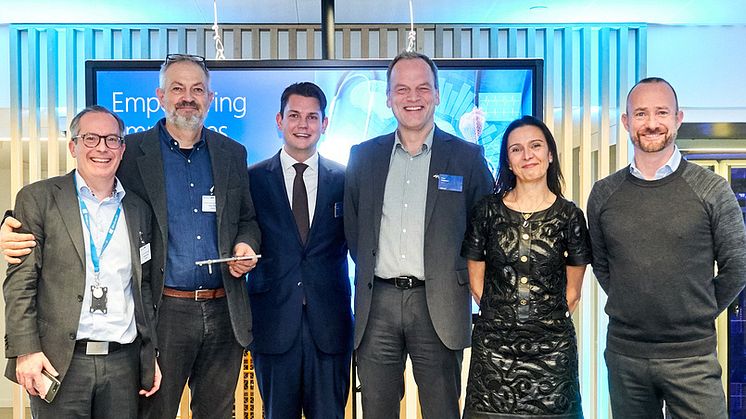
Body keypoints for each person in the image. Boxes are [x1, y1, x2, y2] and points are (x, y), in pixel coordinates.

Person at [1, 54, 261, 419]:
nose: (188, 97)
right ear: (160, 96)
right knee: (155, 411)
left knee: (218, 412)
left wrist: (245, 244)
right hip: (164, 311)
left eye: (197, 89)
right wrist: (10, 225)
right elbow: (77, 194)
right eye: (177, 89)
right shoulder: (132, 151)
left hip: (223, 308)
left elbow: (246, 218)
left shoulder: (232, 153)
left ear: (210, 98)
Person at [344, 51, 494, 418]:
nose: (413, 97)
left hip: (439, 303)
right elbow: (353, 229)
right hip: (376, 304)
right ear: (389, 98)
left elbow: (486, 229)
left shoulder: (467, 158)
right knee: (376, 409)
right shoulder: (363, 157)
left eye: (423, 88)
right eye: (403, 89)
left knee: (442, 410)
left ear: (438, 95)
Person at [587, 77, 746, 418]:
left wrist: (697, 310)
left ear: (678, 118)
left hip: (692, 357)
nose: (651, 123)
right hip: (625, 355)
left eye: (662, 112)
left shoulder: (712, 189)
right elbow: (603, 265)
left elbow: (738, 266)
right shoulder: (604, 193)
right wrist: (634, 301)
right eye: (641, 113)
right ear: (627, 122)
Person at [3, 106, 160, 418]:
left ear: (122, 148)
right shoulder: (39, 198)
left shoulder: (138, 209)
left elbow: (140, 288)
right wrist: (26, 350)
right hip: (60, 362)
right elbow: (21, 283)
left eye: (112, 139)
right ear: (73, 146)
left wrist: (149, 352)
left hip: (123, 363)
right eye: (90, 138)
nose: (102, 147)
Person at [461, 115, 590, 418]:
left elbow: (572, 293)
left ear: (550, 154)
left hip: (553, 351)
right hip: (493, 350)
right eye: (516, 149)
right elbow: (477, 285)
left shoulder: (570, 215)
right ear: (508, 161)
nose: (527, 155)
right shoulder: (487, 211)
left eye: (535, 146)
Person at [246, 82, 352, 418]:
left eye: (311, 117)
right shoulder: (252, 180)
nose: (302, 124)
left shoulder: (346, 180)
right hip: (274, 325)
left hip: (330, 327)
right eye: (294, 115)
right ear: (279, 120)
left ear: (325, 124)